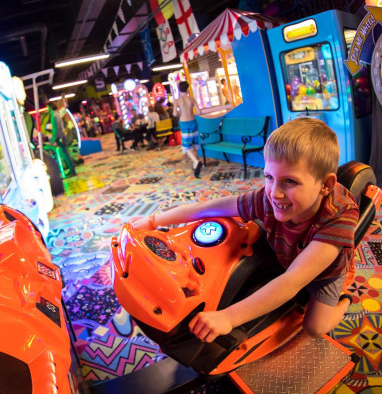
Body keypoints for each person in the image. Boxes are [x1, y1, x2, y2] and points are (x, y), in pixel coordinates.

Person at [131, 117, 358, 340]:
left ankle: (345, 298)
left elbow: (293, 281)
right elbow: (210, 208)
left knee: (315, 328)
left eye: (290, 181)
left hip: (324, 273)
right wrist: (154, 221)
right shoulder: (269, 199)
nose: (274, 193)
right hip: (287, 249)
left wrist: (228, 318)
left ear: (326, 185)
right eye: (269, 177)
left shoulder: (339, 220)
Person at [174, 81, 203, 177]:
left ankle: (196, 161)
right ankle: (195, 166)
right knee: (194, 144)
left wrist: (180, 114)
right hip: (193, 122)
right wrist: (193, 114)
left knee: (186, 146)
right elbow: (199, 112)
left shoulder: (177, 101)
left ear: (179, 89)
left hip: (184, 123)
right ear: (187, 89)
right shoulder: (192, 99)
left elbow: (174, 114)